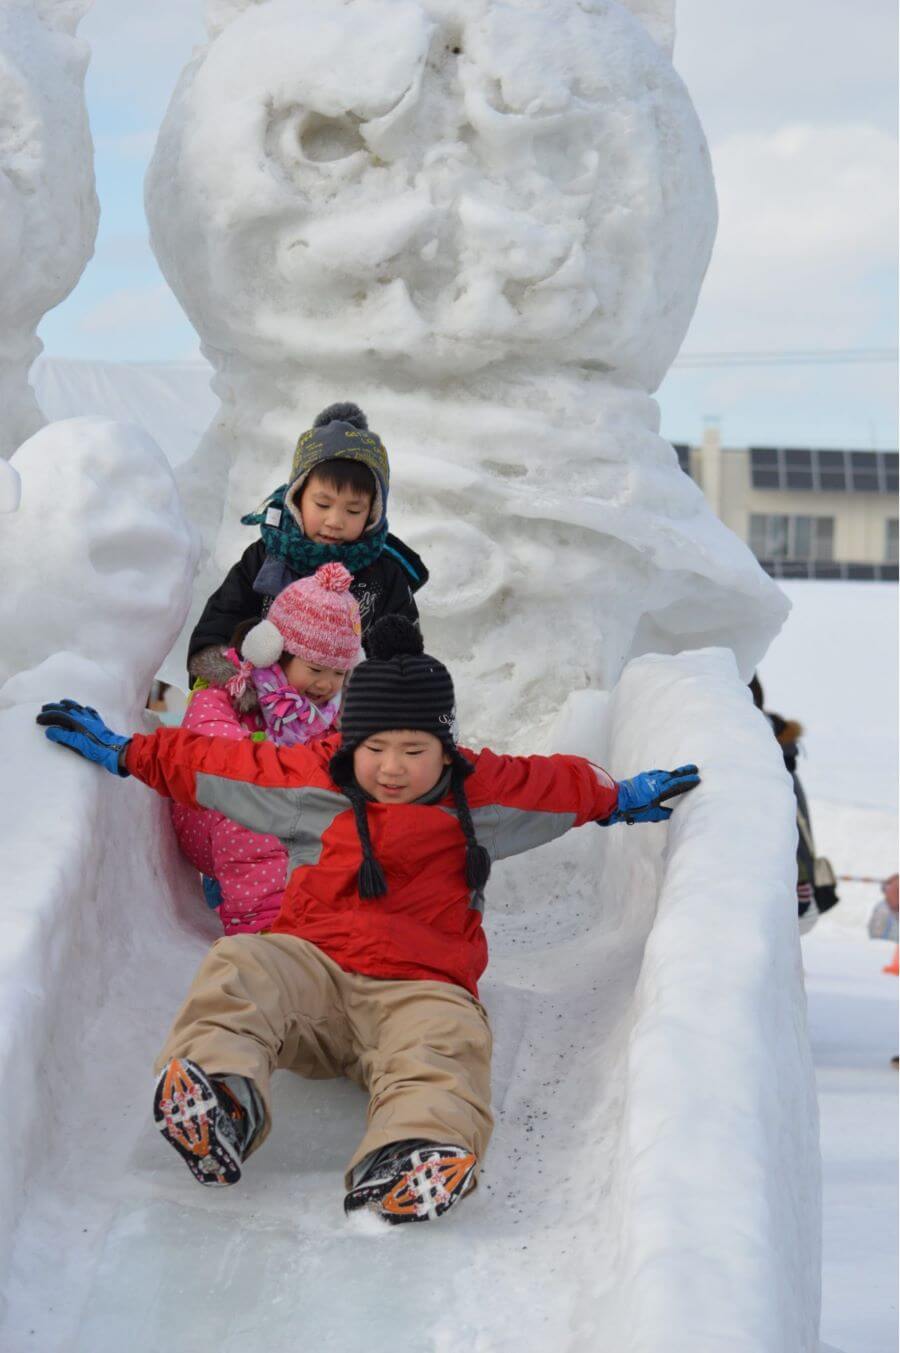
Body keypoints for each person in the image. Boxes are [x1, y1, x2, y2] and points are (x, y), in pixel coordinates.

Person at [36, 619, 700, 1226]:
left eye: (413, 749)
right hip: (313, 976)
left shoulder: (481, 794)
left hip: (422, 988)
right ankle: (221, 1098)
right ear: (350, 743)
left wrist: (618, 797)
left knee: (447, 1046)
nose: (390, 766)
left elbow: (553, 783)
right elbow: (217, 765)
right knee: (244, 964)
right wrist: (128, 752)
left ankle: (413, 1153)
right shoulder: (312, 784)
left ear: (445, 749)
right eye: (375, 746)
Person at [173, 562, 362, 935]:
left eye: (338, 673)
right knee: (254, 810)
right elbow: (206, 737)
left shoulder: (328, 718)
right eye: (315, 669)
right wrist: (265, 766)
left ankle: (337, 918)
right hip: (214, 818)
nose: (326, 684)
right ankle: (260, 926)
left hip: (288, 825)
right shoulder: (230, 691)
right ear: (276, 652)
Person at [187, 402, 427, 686]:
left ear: (373, 514)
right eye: (323, 504)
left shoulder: (385, 574)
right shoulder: (266, 558)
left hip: (342, 709)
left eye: (353, 510)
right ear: (297, 497)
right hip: (260, 702)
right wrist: (233, 678)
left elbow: (401, 652)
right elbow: (221, 622)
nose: (335, 520)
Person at [749, 674, 838, 925]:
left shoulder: (767, 755)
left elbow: (789, 823)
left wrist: (800, 878)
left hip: (787, 878)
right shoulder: (782, 759)